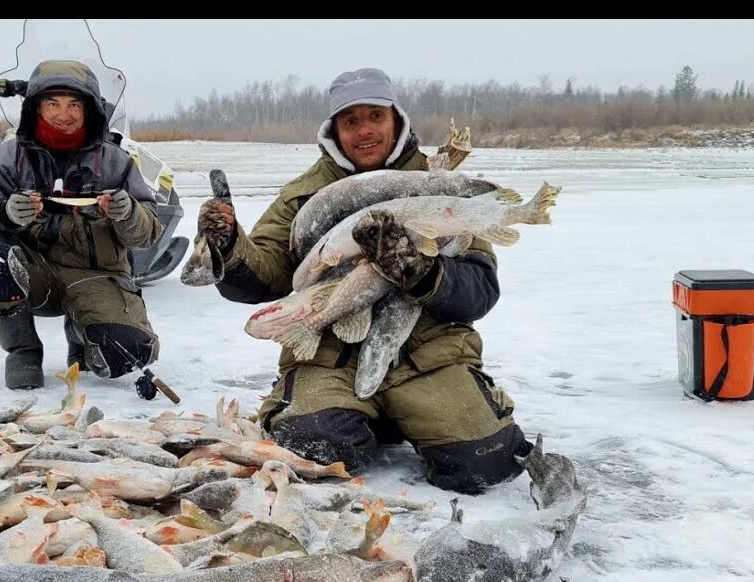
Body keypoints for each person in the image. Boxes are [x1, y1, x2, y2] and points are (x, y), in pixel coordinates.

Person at [192, 67, 533, 495]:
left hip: (427, 355)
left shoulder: (440, 187)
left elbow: (479, 292)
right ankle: (356, 414)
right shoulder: (303, 195)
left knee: (488, 464)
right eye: (350, 121)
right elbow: (268, 275)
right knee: (311, 446)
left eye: (375, 116)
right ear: (334, 130)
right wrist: (229, 246)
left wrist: (423, 273)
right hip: (332, 356)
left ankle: (408, 412)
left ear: (396, 119)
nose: (364, 131)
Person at [0, 59, 163, 389]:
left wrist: (128, 212)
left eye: (73, 104)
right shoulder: (8, 157)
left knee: (129, 353)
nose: (62, 114)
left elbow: (148, 233)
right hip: (34, 272)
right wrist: (5, 214)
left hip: (96, 274)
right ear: (36, 108)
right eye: (52, 103)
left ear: (90, 109)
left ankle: (82, 338)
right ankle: (22, 350)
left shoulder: (115, 160)